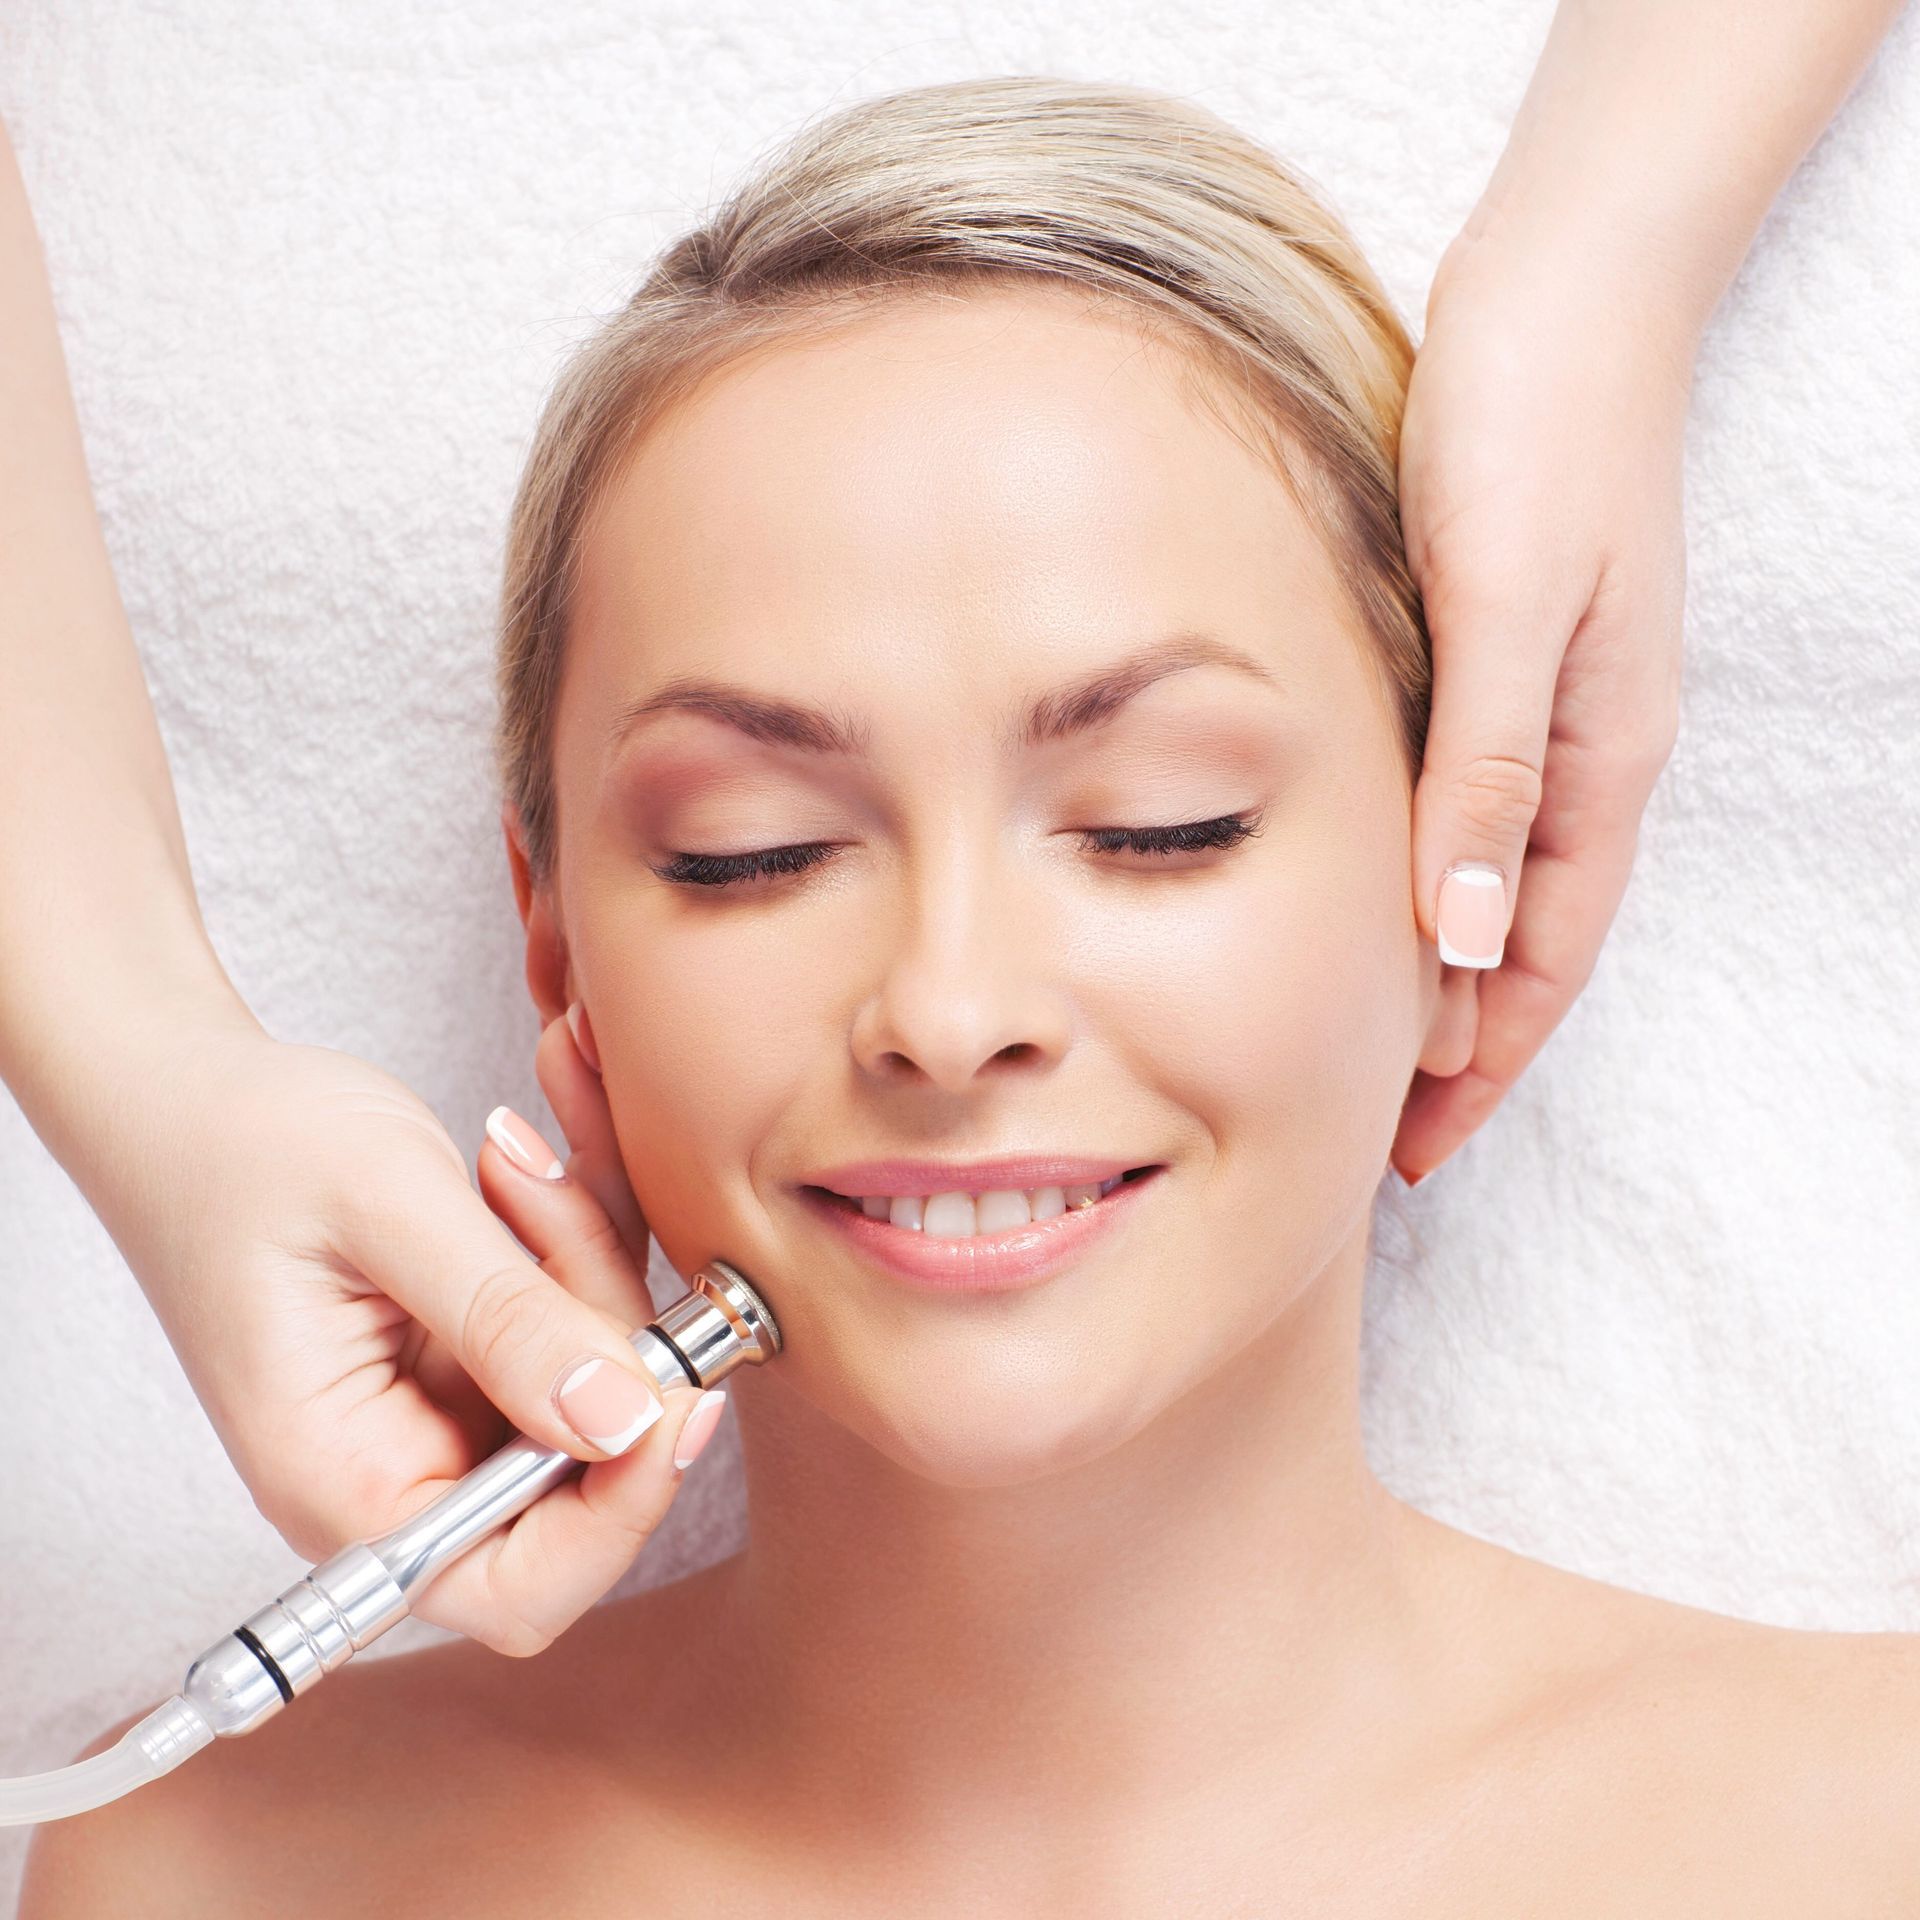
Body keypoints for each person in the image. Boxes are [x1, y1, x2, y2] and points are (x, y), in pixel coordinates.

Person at [22, 71, 1920, 1917]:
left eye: (1164, 824)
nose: (946, 1005)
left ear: (1468, 880)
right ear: (560, 943)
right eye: (749, 849)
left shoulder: (1864, 1830)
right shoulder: (205, 1861)